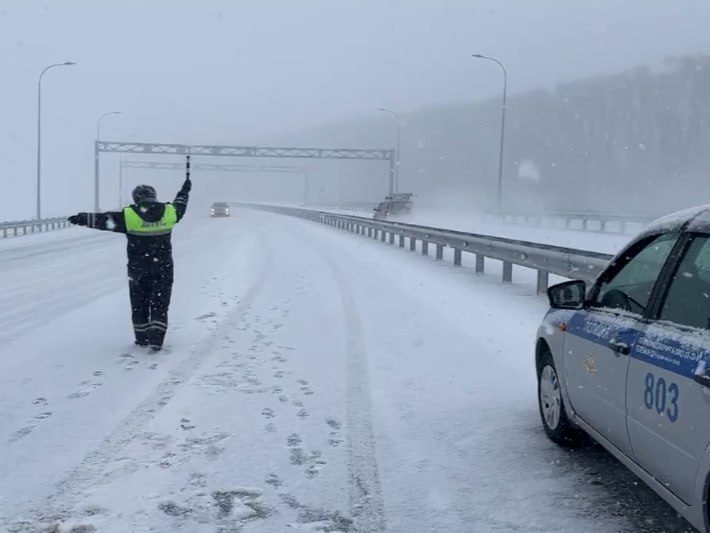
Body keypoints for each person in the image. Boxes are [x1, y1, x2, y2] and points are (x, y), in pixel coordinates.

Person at [68, 175, 191, 351]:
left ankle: (142, 338)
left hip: (138, 269)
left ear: (136, 198)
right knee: (160, 303)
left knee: (139, 303)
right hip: (163, 268)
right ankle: (156, 339)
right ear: (154, 196)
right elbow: (181, 205)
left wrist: (81, 218)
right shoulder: (169, 212)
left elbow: (103, 220)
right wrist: (184, 190)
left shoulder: (130, 215)